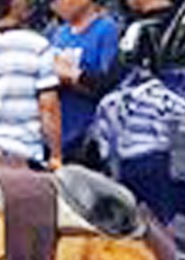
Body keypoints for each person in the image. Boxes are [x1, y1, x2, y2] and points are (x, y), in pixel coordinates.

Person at [0, 0, 63, 169]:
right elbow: (48, 107)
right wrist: (56, 155)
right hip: (26, 156)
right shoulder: (38, 47)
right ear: (15, 5)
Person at [48, 0, 123, 168]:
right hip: (60, 136)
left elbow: (109, 86)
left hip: (88, 136)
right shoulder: (59, 33)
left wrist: (72, 77)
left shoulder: (106, 30)